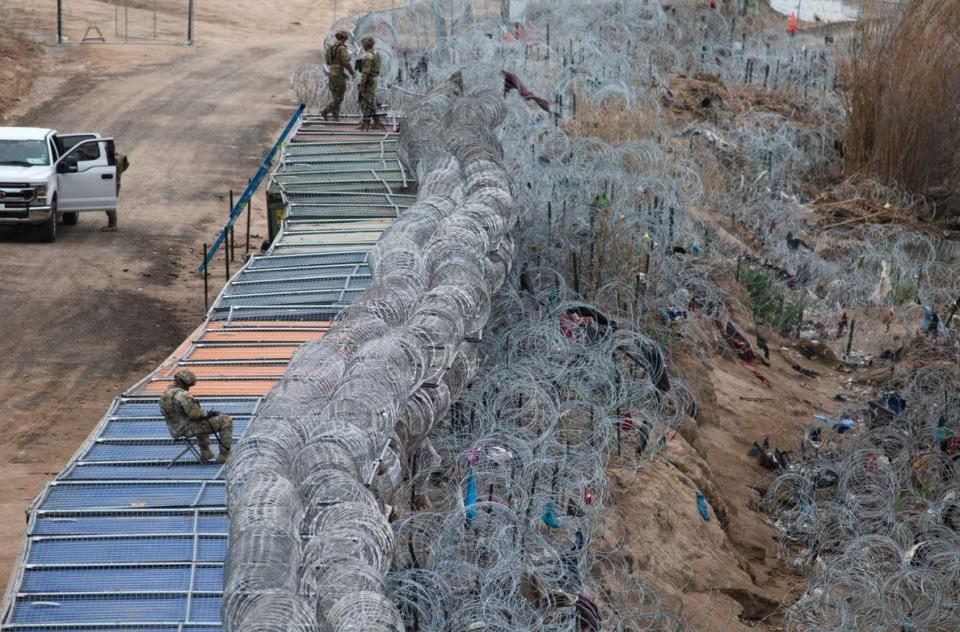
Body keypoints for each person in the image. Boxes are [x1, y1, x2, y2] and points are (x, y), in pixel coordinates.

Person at [159, 368, 233, 463]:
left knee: (202, 422)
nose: (189, 388)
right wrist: (208, 414)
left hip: (174, 430)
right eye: (189, 385)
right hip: (187, 429)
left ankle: (206, 453)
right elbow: (195, 414)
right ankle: (224, 455)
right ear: (184, 383)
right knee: (226, 420)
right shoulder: (182, 395)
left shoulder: (165, 394)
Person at [319, 30, 355, 121]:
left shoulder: (331, 47)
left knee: (335, 95)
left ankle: (336, 117)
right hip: (338, 72)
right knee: (340, 97)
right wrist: (352, 72)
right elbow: (345, 62)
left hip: (331, 71)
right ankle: (325, 111)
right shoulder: (342, 48)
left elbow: (327, 61)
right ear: (344, 38)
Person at [101, 151, 128, 232]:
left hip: (112, 183)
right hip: (115, 182)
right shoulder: (118, 156)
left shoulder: (114, 159)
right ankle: (112, 224)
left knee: (109, 203)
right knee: (109, 202)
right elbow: (126, 165)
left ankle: (112, 224)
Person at [358, 35, 381, 129]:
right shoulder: (377, 54)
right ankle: (375, 122)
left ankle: (366, 123)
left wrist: (362, 85)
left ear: (365, 45)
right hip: (374, 78)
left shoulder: (368, 56)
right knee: (371, 101)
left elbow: (365, 72)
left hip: (368, 80)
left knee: (366, 101)